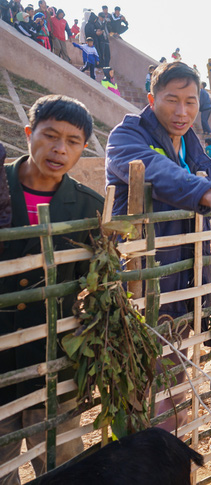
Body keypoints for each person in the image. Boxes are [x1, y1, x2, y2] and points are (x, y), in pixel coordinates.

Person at [105, 62, 211, 432]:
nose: (182, 111)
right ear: (152, 99)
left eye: (191, 102)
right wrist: (205, 192)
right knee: (141, 390)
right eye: (172, 100)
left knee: (172, 385)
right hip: (142, 284)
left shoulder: (191, 144)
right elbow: (152, 168)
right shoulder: (128, 135)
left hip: (183, 283)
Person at [0, 95, 104, 483]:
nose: (60, 149)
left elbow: (97, 286)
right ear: (28, 134)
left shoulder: (87, 208)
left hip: (54, 361)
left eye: (73, 141)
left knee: (63, 464)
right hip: (0, 356)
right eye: (50, 136)